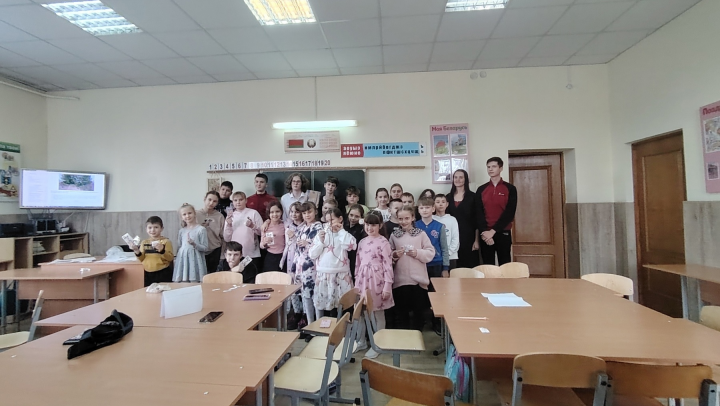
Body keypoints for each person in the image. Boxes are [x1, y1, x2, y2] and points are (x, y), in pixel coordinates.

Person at [388, 205, 435, 331]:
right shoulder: (394, 235)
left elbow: (431, 252)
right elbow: (388, 254)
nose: (403, 221)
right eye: (400, 219)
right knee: (402, 313)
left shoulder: (421, 234)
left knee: (418, 313)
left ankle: (417, 335)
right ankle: (404, 337)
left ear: (413, 218)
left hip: (418, 281)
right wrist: (394, 255)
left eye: (407, 218)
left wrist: (417, 253)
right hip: (400, 281)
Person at [354, 211, 393, 359]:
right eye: (367, 224)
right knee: (361, 311)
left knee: (377, 313)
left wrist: (387, 286)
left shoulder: (384, 243)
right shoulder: (362, 242)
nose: (370, 228)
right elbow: (358, 263)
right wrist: (357, 282)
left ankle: (378, 344)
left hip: (377, 281)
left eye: (373, 225)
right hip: (362, 281)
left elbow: (388, 266)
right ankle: (361, 341)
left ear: (380, 225)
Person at [310, 208, 356, 319]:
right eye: (327, 221)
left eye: (332, 220)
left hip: (341, 275)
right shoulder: (321, 234)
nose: (329, 223)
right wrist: (321, 242)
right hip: (324, 275)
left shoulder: (344, 234)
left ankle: (343, 328)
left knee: (343, 307)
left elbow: (351, 246)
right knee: (326, 308)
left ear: (340, 219)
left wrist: (341, 231)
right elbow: (312, 254)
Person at [476, 157, 518, 266]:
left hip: (503, 232)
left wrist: (493, 231)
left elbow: (509, 213)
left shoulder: (510, 188)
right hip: (485, 234)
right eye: (488, 167)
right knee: (487, 266)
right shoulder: (481, 189)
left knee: (505, 265)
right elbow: (478, 212)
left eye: (494, 166)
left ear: (501, 168)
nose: (490, 169)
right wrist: (485, 232)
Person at [292, 202, 324, 325]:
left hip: (313, 267)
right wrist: (294, 268)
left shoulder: (319, 228)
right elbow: (297, 250)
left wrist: (308, 244)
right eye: (304, 213)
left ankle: (319, 324)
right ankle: (310, 324)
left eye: (309, 212)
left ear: (315, 211)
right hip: (301, 267)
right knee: (305, 296)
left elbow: (321, 246)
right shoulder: (302, 228)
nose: (307, 215)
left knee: (316, 296)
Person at [446, 169, 480, 268]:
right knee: (454, 267)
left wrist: (476, 240)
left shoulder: (473, 197)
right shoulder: (448, 197)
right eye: (455, 177)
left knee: (470, 266)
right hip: (451, 237)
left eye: (461, 177)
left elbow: (477, 219)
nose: (458, 180)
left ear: (466, 179)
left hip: (468, 237)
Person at [223, 191, 263, 270]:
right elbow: (226, 238)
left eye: (241, 200)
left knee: (251, 275)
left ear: (246, 200)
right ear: (232, 202)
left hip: (251, 253)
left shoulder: (253, 213)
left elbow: (262, 232)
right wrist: (229, 225)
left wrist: (252, 226)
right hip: (235, 255)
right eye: (235, 200)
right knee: (236, 275)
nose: (238, 202)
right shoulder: (230, 216)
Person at [131, 216, 174, 286]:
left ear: (161, 229)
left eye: (156, 227)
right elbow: (141, 258)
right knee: (149, 291)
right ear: (146, 229)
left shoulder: (166, 241)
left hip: (163, 271)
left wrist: (162, 250)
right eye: (150, 227)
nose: (153, 230)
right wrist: (136, 250)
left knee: (164, 290)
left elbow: (170, 258)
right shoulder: (144, 242)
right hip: (148, 272)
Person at [282, 201, 304, 330]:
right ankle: (296, 313)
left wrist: (294, 237)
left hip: (301, 261)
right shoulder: (288, 226)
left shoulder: (305, 227)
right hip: (290, 260)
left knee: (302, 287)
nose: (294, 214)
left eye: (297, 212)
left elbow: (301, 244)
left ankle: (304, 314)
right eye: (292, 212)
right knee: (292, 288)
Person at [416, 196, 449, 281]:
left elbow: (444, 248)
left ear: (433, 209)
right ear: (418, 210)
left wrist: (445, 268)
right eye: (421, 208)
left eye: (427, 207)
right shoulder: (414, 226)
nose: (424, 210)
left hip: (436, 263)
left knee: (435, 288)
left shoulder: (440, 226)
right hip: (419, 263)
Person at [174, 203, 208, 282]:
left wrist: (194, 244)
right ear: (181, 217)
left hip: (196, 260)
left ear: (194, 213)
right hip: (183, 260)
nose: (187, 216)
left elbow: (205, 248)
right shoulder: (181, 231)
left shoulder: (201, 229)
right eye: (184, 214)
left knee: (195, 283)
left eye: (190, 213)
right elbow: (179, 246)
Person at [196, 191, 224, 275]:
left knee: (213, 275)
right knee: (200, 275)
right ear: (205, 199)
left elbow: (223, 236)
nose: (211, 203)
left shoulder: (220, 216)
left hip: (215, 249)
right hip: (199, 249)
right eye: (209, 199)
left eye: (214, 201)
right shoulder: (195, 214)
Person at [433, 194, 460, 270]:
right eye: (438, 202)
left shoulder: (452, 219)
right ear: (433, 204)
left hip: (451, 256)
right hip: (435, 257)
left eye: (443, 202)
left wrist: (448, 253)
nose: (440, 204)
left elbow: (455, 238)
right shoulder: (431, 219)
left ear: (447, 204)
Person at [260, 201, 286, 273]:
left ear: (281, 212)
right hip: (270, 257)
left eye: (277, 211)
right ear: (268, 214)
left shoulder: (285, 224)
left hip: (283, 256)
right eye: (272, 212)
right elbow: (261, 245)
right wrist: (265, 242)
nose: (275, 214)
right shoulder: (265, 226)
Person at [344, 204, 367, 281]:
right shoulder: (343, 226)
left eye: (357, 216)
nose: (353, 218)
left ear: (361, 217)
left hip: (356, 258)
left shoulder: (362, 229)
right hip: (344, 257)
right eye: (351, 215)